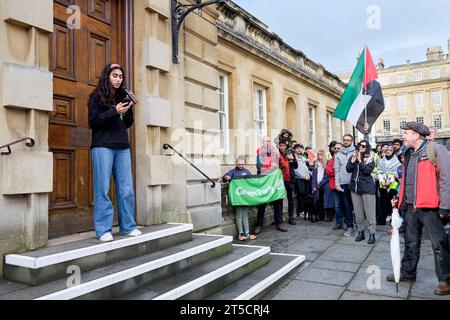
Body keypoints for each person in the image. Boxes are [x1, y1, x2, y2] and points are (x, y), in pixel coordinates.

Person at [388, 122, 450, 296]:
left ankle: (445, 280)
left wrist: (445, 206)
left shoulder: (437, 150)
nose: (403, 136)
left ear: (416, 135)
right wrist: (400, 201)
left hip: (430, 207)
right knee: (410, 241)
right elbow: (406, 180)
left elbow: (447, 180)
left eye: (406, 133)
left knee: (439, 245)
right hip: (410, 207)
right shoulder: (409, 153)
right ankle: (408, 272)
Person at [88, 63, 141, 242]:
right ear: (107, 77)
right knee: (102, 189)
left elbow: (127, 123)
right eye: (115, 76)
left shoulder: (122, 96)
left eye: (120, 76)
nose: (118, 79)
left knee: (126, 189)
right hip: (102, 146)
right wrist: (113, 111)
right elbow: (94, 121)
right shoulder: (95, 97)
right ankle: (103, 230)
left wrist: (126, 110)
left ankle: (128, 226)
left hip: (122, 146)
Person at [346, 140, 377, 244]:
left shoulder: (370, 157)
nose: (361, 147)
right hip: (355, 189)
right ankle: (361, 232)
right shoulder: (354, 156)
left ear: (367, 147)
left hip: (367, 188)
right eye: (359, 145)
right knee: (358, 213)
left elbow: (368, 170)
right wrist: (353, 160)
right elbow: (348, 169)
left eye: (363, 146)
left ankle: (372, 233)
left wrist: (360, 161)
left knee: (370, 213)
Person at [255, 136, 284, 234]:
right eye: (266, 141)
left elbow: (281, 165)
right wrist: (271, 166)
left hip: (274, 180)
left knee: (278, 202)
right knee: (262, 202)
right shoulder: (260, 151)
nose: (268, 142)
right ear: (263, 143)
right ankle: (259, 225)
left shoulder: (275, 152)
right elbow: (259, 166)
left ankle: (278, 223)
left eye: (269, 140)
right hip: (264, 180)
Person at [223, 156, 256, 241]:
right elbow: (225, 177)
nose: (241, 165)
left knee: (245, 214)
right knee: (239, 215)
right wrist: (226, 177)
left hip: (245, 196)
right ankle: (240, 234)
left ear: (244, 164)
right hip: (237, 197)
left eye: (242, 164)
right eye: (239, 164)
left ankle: (247, 233)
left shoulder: (247, 171)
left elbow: (252, 181)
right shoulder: (233, 171)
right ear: (236, 164)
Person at [334, 134, 355, 236]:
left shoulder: (356, 152)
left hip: (355, 183)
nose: (346, 141)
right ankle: (350, 226)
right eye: (344, 140)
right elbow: (336, 170)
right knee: (347, 206)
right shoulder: (338, 154)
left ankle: (357, 224)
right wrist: (337, 184)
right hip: (343, 183)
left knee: (357, 206)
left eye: (348, 140)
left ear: (351, 141)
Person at [377, 145, 401, 225]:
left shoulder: (397, 161)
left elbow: (397, 172)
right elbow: (379, 171)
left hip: (393, 184)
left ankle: (393, 220)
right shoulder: (381, 160)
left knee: (392, 202)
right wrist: (381, 180)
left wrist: (390, 181)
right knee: (383, 202)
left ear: (393, 151)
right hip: (383, 184)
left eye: (390, 150)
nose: (388, 151)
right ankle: (381, 220)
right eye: (387, 150)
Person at [279, 139, 298, 226]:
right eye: (281, 145)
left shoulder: (290, 153)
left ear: (286, 146)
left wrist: (293, 159)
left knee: (291, 199)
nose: (282, 147)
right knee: (279, 199)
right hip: (280, 180)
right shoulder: (277, 155)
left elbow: (296, 166)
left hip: (290, 180)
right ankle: (279, 218)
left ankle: (291, 217)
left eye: (284, 145)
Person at [325, 142, 341, 223]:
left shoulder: (344, 159)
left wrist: (336, 171)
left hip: (343, 185)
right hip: (334, 185)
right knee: (337, 205)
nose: (337, 150)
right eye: (335, 148)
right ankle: (338, 223)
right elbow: (328, 171)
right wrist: (338, 171)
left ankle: (348, 222)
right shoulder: (331, 161)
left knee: (346, 205)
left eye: (339, 148)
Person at [294, 144, 311, 219]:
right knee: (301, 195)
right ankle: (301, 211)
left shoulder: (303, 157)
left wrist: (309, 175)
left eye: (300, 148)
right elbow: (295, 170)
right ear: (294, 149)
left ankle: (306, 210)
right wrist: (304, 176)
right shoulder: (294, 157)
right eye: (297, 148)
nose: (299, 150)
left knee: (306, 195)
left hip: (306, 178)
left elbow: (306, 168)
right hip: (299, 179)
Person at [312, 150, 328, 222]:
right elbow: (314, 177)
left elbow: (327, 176)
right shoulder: (316, 164)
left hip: (324, 185)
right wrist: (314, 186)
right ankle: (319, 215)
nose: (319, 155)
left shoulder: (326, 164)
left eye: (321, 154)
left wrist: (320, 184)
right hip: (317, 186)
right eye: (318, 154)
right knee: (318, 201)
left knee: (325, 201)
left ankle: (325, 215)